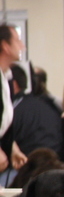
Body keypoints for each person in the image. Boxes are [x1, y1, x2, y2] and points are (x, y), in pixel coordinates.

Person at [6, 63, 61, 164]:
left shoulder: (15, 110)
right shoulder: (50, 105)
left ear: (13, 84)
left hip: (27, 165)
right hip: (53, 163)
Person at [0, 24, 26, 178]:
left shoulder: (6, 78)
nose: (23, 46)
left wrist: (12, 148)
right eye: (17, 41)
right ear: (5, 46)